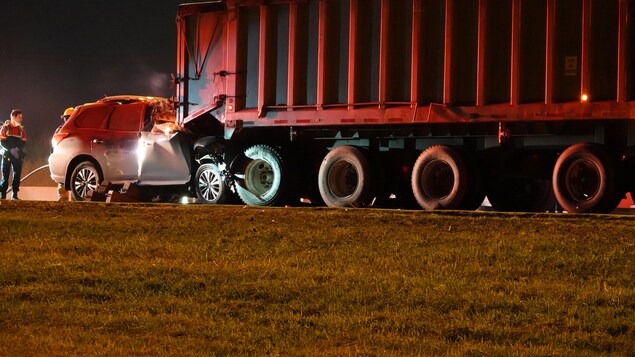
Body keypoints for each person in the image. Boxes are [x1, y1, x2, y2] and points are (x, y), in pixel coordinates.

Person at [0, 109, 27, 200]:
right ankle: (3, 195)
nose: (21, 119)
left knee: (17, 174)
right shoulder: (5, 128)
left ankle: (14, 195)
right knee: (5, 174)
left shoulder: (21, 130)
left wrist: (20, 150)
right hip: (7, 154)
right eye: (19, 117)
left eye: (21, 117)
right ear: (13, 117)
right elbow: (2, 142)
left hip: (17, 155)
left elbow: (23, 142)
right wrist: (10, 149)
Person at [56, 107, 74, 201]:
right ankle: (63, 201)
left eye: (68, 117)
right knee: (61, 179)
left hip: (71, 157)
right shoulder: (60, 129)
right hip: (62, 157)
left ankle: (76, 202)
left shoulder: (76, 130)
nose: (66, 120)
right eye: (65, 118)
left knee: (74, 179)